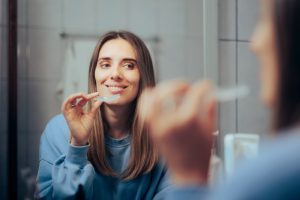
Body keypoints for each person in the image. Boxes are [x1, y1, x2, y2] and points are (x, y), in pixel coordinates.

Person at [140, 0, 300, 199]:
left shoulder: (276, 175)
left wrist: (187, 175)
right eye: (105, 64)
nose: (255, 43)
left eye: (266, 20)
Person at [36, 31, 171, 199]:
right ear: (95, 74)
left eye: (129, 65)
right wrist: (77, 146)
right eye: (105, 65)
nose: (115, 74)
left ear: (143, 76)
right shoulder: (58, 131)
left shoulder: (167, 136)